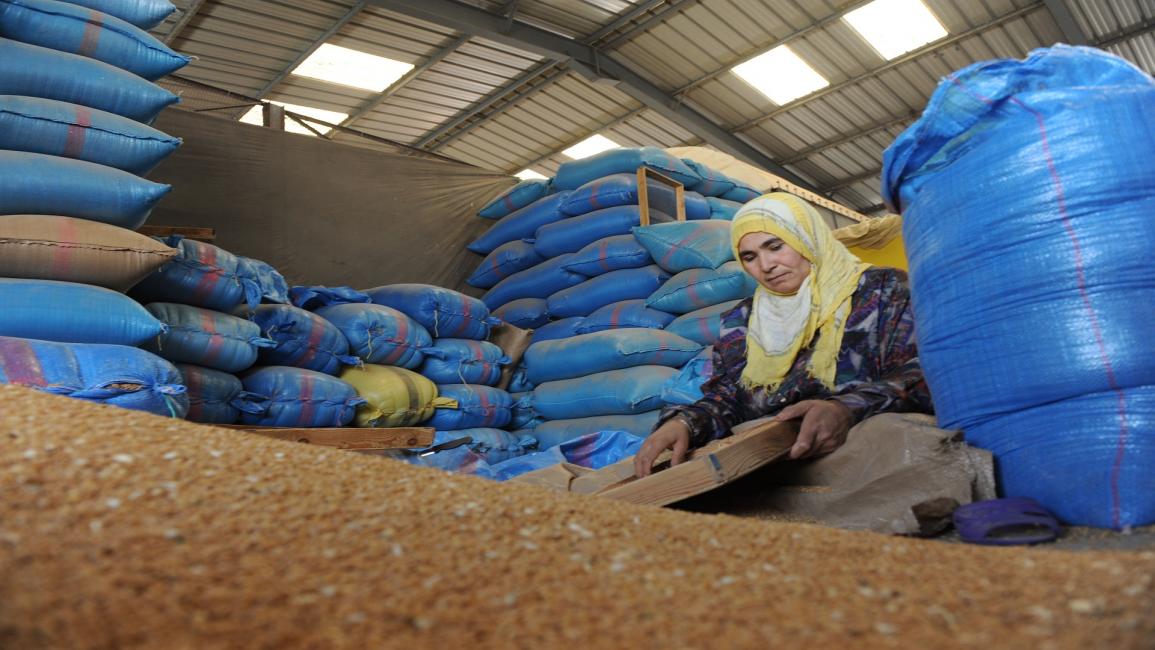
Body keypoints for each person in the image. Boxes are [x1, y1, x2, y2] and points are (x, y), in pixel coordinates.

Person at [634, 192, 933, 477]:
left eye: (776, 246)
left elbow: (924, 373)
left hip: (871, 454)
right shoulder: (745, 319)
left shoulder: (882, 290)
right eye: (750, 257)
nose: (766, 266)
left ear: (806, 236)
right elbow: (729, 398)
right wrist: (686, 422)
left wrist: (846, 409)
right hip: (776, 461)